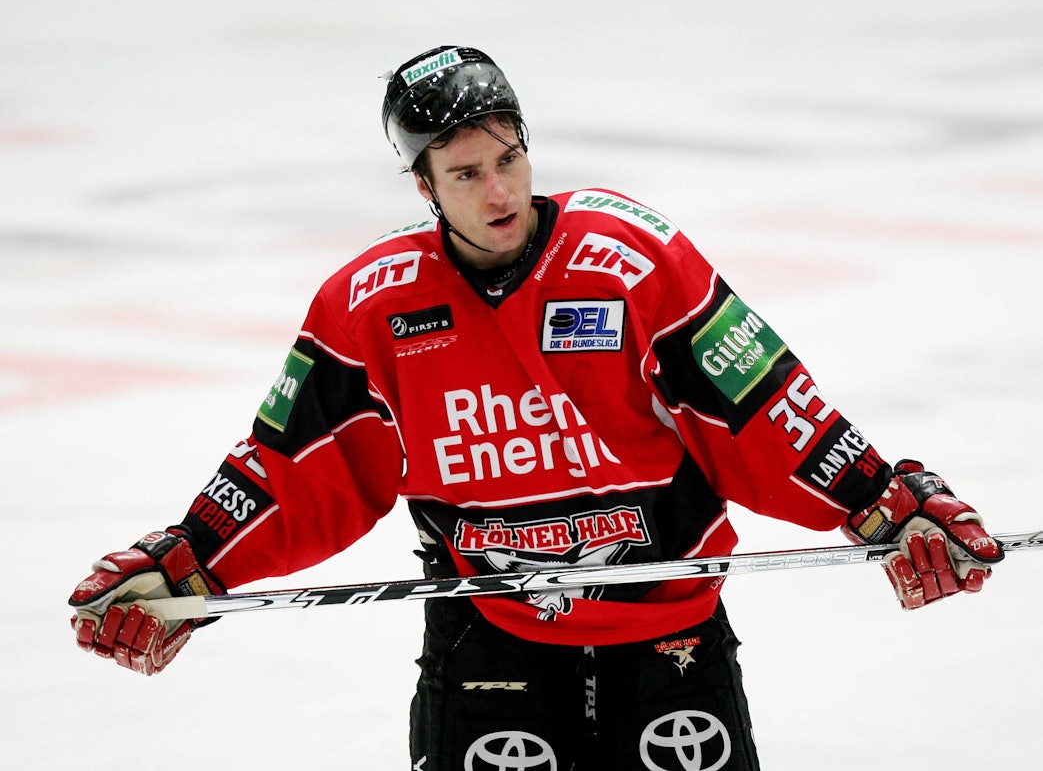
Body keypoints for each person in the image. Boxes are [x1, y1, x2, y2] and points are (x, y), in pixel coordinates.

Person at [69, 46, 1004, 771]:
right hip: (489, 625)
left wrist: (884, 499)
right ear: (424, 186)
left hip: (667, 623)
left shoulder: (630, 257)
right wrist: (193, 558)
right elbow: (294, 464)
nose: (499, 189)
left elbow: (761, 409)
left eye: (509, 158)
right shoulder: (371, 306)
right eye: (466, 173)